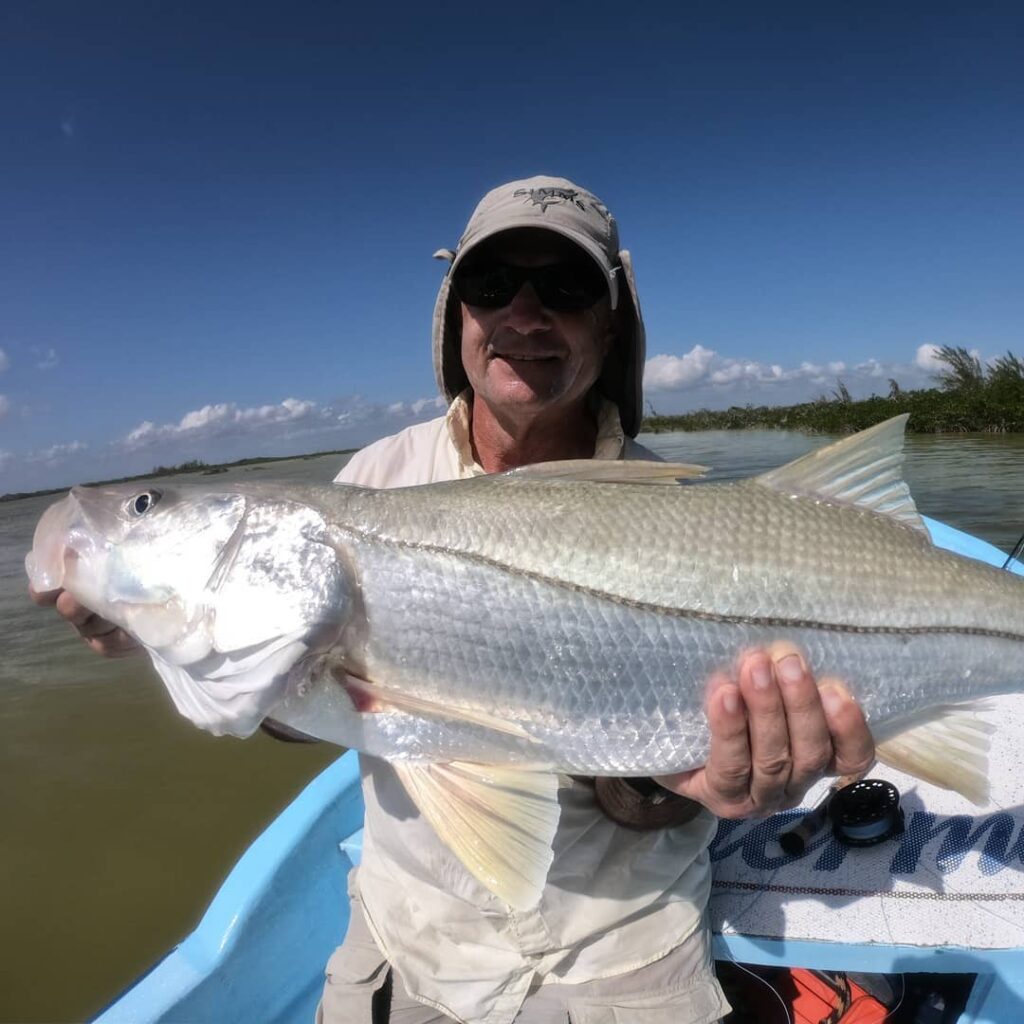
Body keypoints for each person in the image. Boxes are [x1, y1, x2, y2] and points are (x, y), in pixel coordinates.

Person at [31, 176, 875, 1023]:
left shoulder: (678, 503)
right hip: (411, 942)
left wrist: (707, 779)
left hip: (623, 952)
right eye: (490, 284)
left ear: (610, 320)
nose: (524, 313)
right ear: (456, 311)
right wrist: (180, 642)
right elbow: (316, 702)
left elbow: (652, 771)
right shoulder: (373, 481)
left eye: (567, 287)